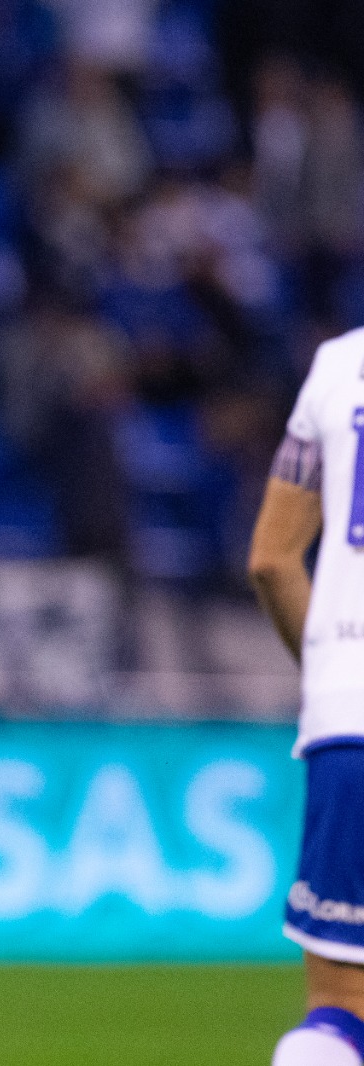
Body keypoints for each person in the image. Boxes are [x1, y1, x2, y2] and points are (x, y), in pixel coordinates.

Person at [248, 326, 364, 1066]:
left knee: (338, 1016)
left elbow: (271, 559)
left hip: (348, 714)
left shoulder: (340, 363)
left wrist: (330, 676)